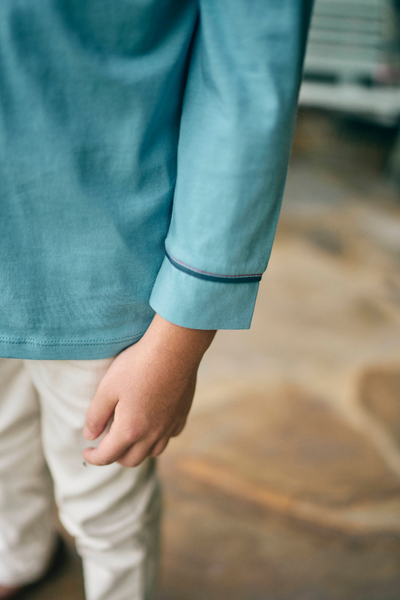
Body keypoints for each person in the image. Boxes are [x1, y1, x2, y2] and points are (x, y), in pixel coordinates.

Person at [0, 1, 314, 599]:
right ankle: (18, 553)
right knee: (2, 449)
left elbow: (247, 85)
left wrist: (176, 341)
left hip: (97, 267)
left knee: (107, 509)